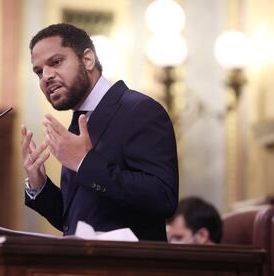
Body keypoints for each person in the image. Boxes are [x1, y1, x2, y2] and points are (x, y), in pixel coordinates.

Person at [21, 23, 178, 241]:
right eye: (38, 72)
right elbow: (75, 219)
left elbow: (162, 198)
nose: (45, 76)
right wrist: (39, 185)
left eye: (55, 62)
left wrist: (84, 162)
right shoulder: (80, 121)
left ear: (87, 60)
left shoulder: (140, 110)